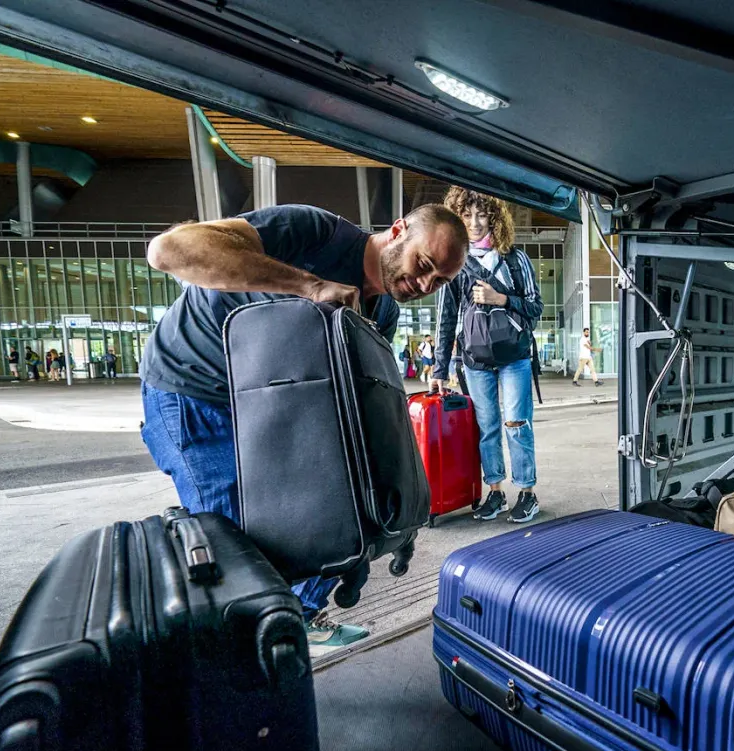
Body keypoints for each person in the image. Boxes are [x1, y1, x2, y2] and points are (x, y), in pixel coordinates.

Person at [138, 203, 467, 655]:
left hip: (270, 406)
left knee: (331, 518)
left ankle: (295, 622)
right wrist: (308, 286)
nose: (426, 284)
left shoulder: (383, 313)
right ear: (397, 232)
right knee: (235, 552)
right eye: (425, 265)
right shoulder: (314, 234)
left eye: (441, 281)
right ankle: (241, 660)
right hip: (195, 391)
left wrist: (379, 513)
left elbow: (347, 406)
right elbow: (168, 251)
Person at [433, 187, 542, 524]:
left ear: (495, 217)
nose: (475, 223)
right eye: (466, 216)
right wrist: (439, 367)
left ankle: (527, 493)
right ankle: (495, 492)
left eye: (482, 215)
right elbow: (447, 318)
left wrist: (502, 299)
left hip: (515, 357)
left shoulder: (515, 259)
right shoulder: (455, 263)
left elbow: (536, 308)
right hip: (474, 360)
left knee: (516, 424)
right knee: (488, 427)